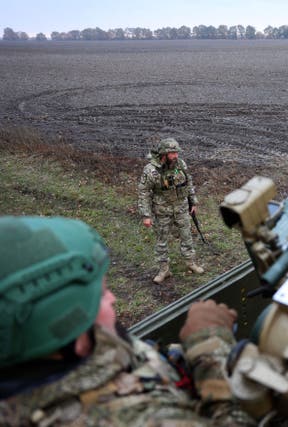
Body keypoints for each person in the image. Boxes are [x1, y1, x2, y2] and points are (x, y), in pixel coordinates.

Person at [0, 216, 255, 426]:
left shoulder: (68, 354)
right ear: (59, 325)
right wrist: (210, 353)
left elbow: (118, 363)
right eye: (100, 296)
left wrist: (178, 358)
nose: (111, 298)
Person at [138, 137, 205, 284]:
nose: (176, 156)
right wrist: (146, 215)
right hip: (162, 211)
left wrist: (193, 201)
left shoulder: (180, 164)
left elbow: (189, 183)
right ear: (164, 154)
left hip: (181, 208)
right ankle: (164, 269)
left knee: (186, 235)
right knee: (161, 240)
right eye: (172, 153)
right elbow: (144, 193)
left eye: (176, 152)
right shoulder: (150, 171)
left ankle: (190, 262)